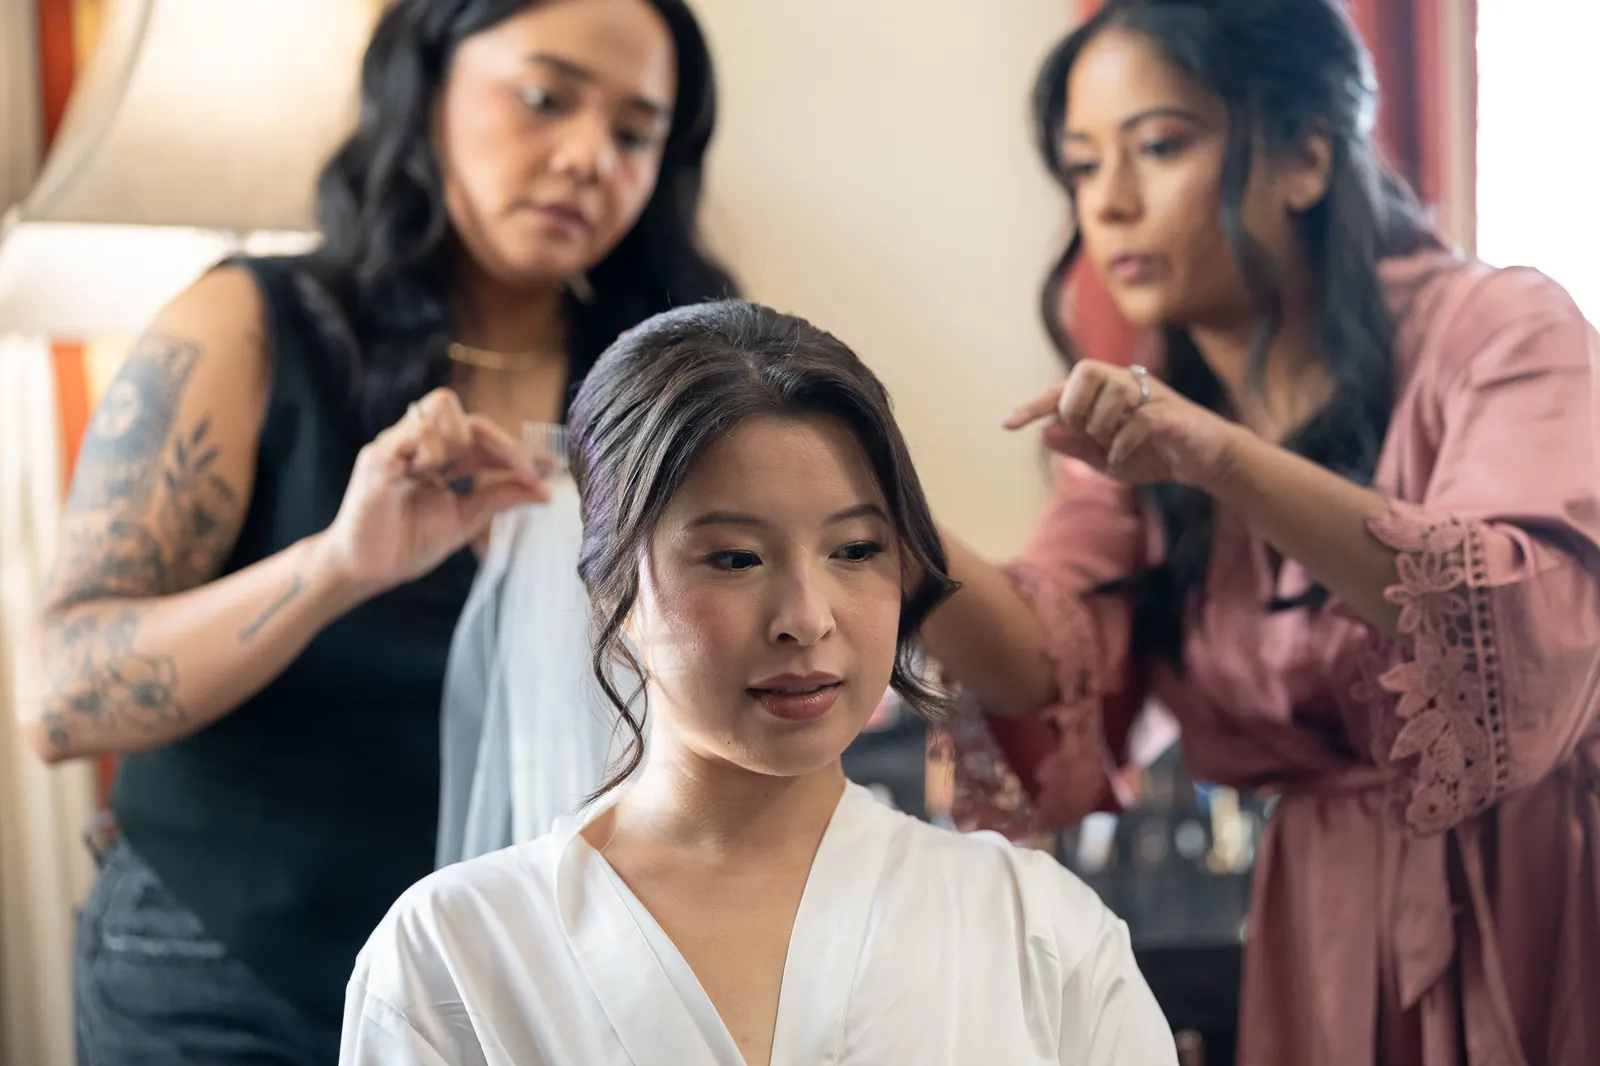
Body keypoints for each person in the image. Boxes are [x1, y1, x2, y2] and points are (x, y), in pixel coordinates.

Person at [23, 0, 735, 1061]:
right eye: (543, 98)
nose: (588, 157)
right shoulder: (249, 326)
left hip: (522, 991)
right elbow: (61, 701)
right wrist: (334, 567)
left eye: (635, 132)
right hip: (228, 975)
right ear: (426, 85)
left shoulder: (667, 381)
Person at [920, 1, 1600, 1063]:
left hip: (1538, 895)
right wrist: (890, 525)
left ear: (1304, 157)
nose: (1112, 202)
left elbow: (1520, 626)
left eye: (1159, 145)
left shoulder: (1501, 331)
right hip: (1318, 925)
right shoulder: (1138, 433)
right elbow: (1056, 660)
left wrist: (1222, 458)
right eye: (1082, 166)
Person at [338, 300, 1179, 1066]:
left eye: (855, 551)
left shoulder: (1040, 934)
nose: (806, 619)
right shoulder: (453, 952)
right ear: (611, 591)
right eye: (735, 559)